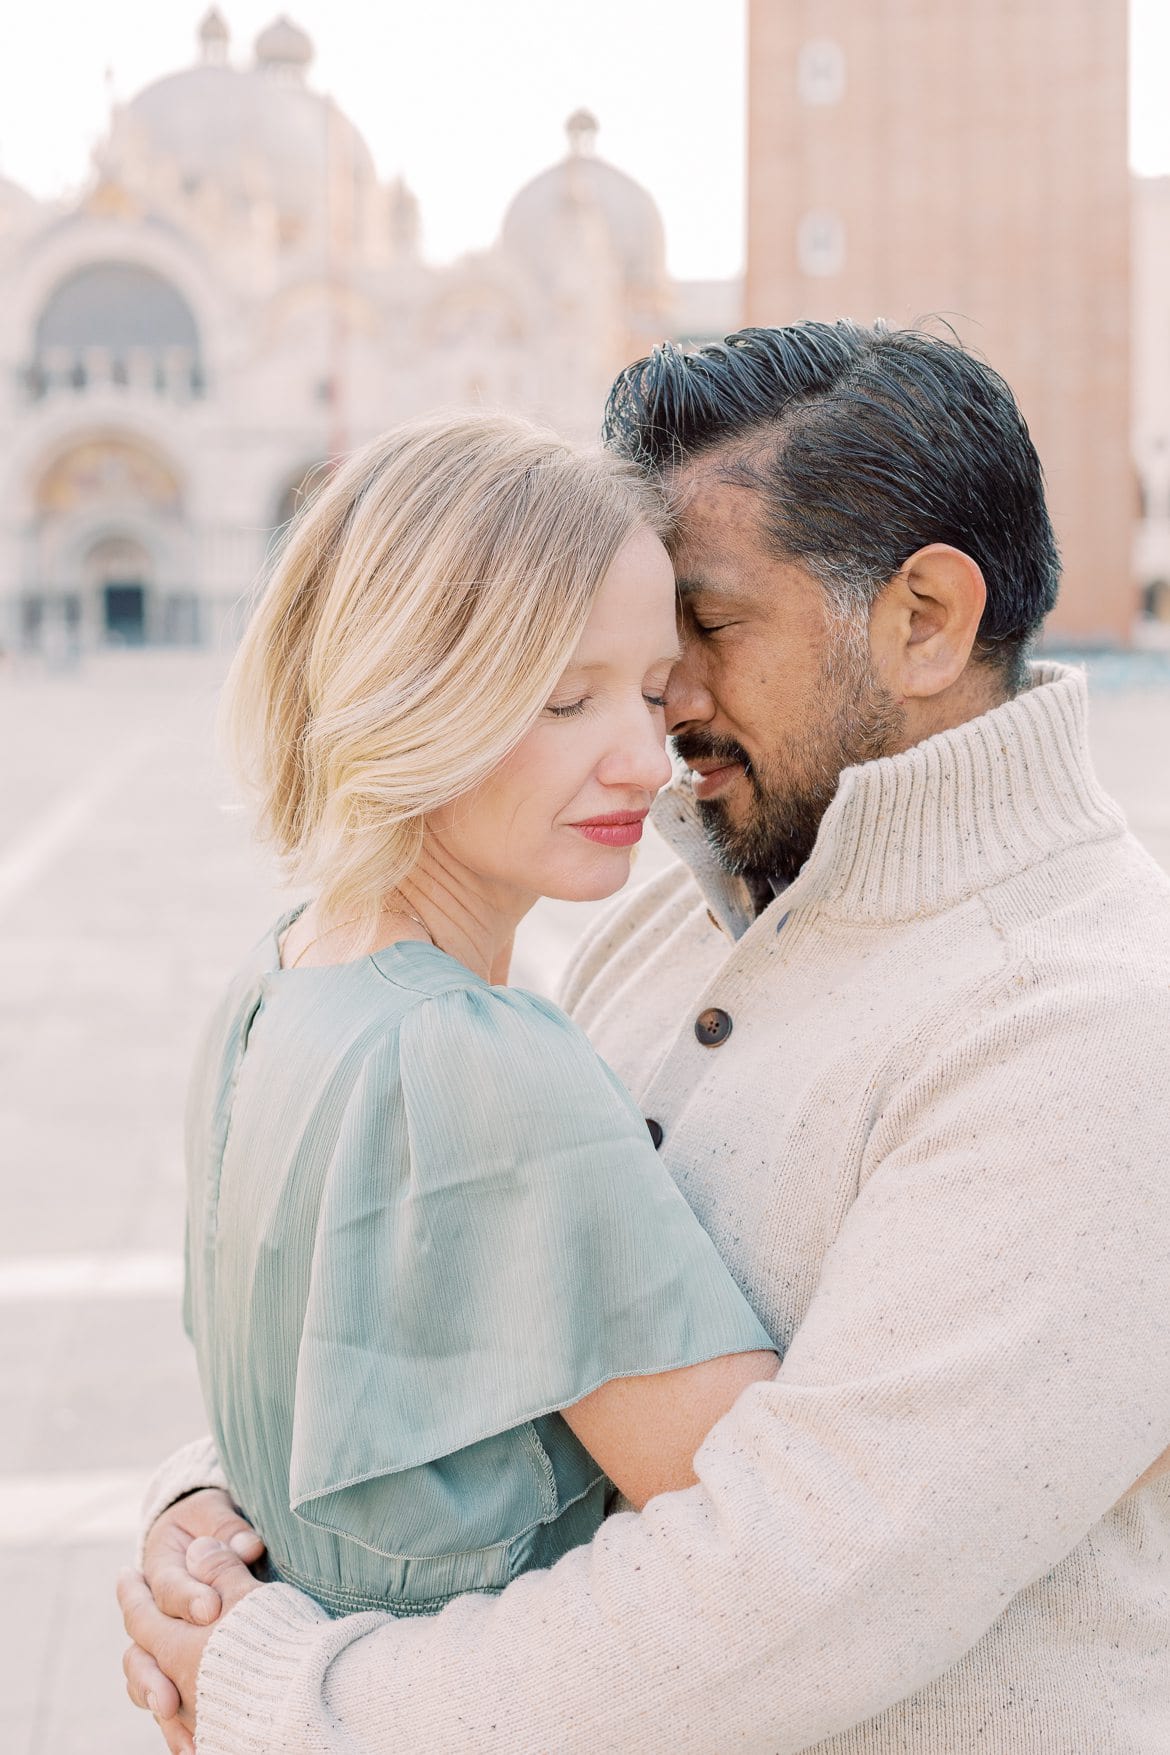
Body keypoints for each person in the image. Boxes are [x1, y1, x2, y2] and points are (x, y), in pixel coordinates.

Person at [122, 324, 1170, 1755]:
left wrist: (285, 1695)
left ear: (922, 618)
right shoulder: (685, 909)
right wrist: (227, 1519)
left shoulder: (1092, 1027)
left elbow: (792, 1585)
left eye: (702, 629)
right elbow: (455, 1316)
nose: (659, 705)